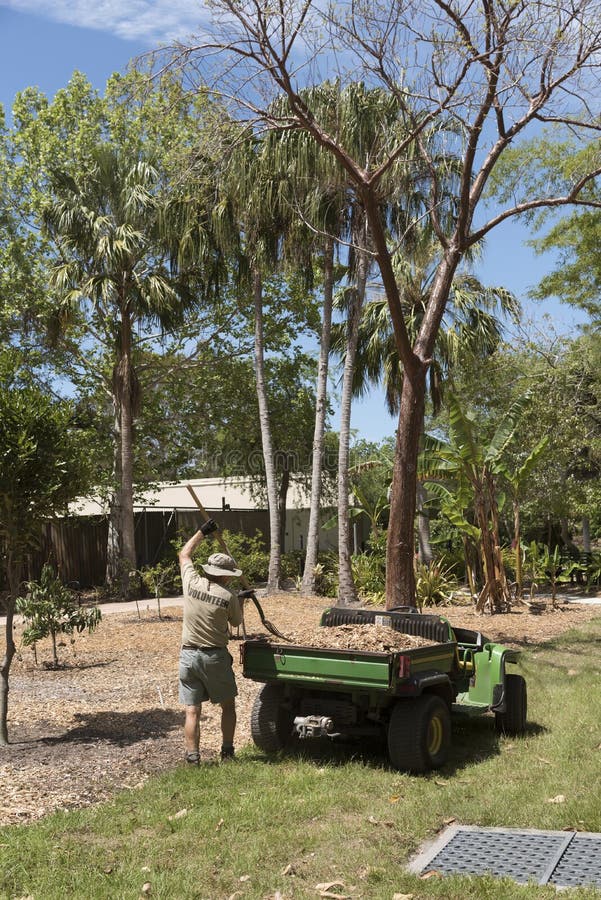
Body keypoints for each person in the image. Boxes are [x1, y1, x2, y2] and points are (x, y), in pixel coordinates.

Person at [177, 519, 244, 764]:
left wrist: (202, 532)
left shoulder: (191, 582)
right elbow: (236, 624)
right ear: (226, 577)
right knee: (227, 706)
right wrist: (241, 600)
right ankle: (227, 752)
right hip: (214, 657)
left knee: (192, 711)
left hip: (188, 656)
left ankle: (193, 757)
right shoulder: (228, 596)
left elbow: (184, 554)